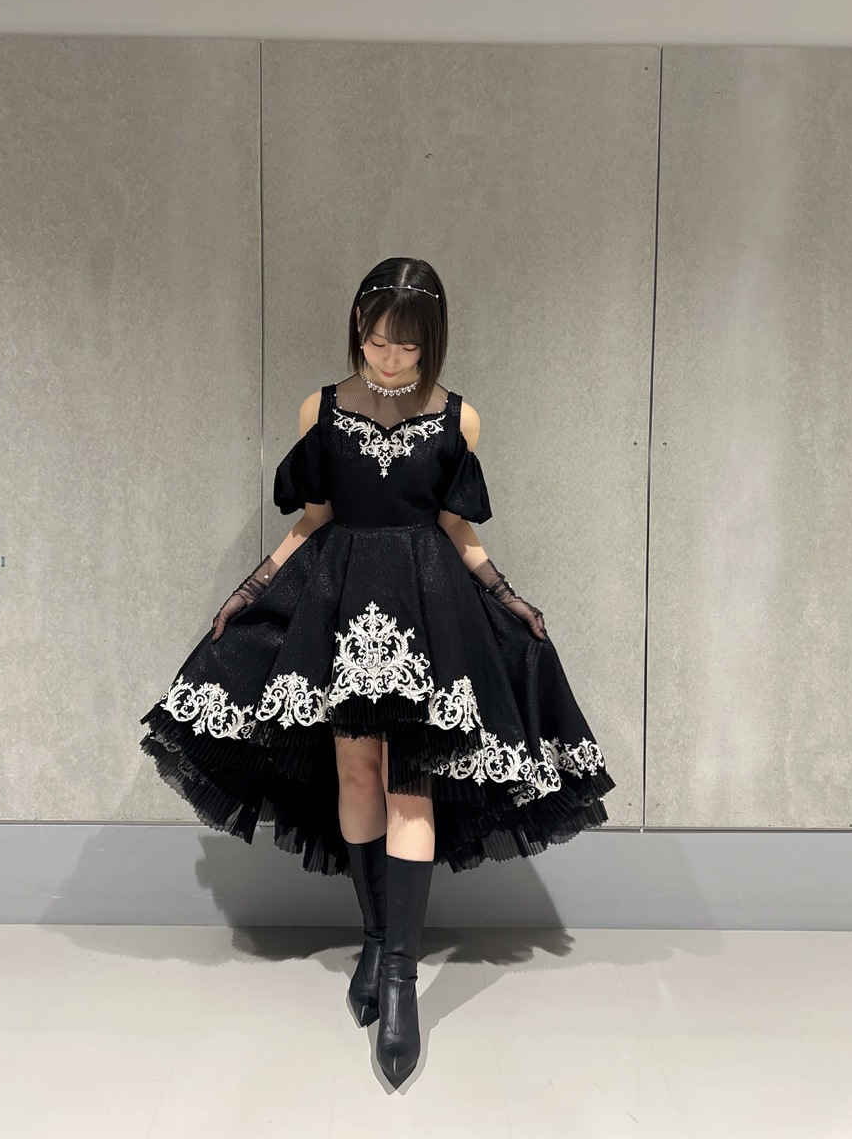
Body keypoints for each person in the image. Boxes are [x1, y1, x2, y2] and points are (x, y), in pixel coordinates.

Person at [139, 257, 616, 1088]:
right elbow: (312, 519)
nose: (388, 359)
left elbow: (459, 530)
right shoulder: (320, 409)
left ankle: (399, 982)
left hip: (429, 609)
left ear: (432, 342)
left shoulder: (460, 419)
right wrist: (251, 589)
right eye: (375, 341)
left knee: (411, 787)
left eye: (406, 347)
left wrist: (506, 595)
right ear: (357, 327)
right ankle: (372, 938)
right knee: (356, 773)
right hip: (339, 601)